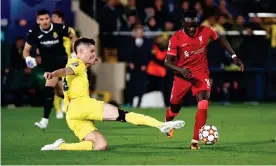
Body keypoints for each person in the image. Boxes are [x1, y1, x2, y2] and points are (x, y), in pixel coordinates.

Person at [41, 37, 185, 151]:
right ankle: (160, 125)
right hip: (82, 104)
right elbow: (65, 71)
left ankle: (60, 146)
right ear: (80, 53)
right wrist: (53, 74)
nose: (94, 54)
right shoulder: (76, 64)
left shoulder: (76, 64)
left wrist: (88, 62)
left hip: (72, 114)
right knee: (123, 115)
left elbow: (69, 71)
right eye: (91, 51)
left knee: (100, 145)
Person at [163, 11, 244, 149]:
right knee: (175, 106)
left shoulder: (205, 31)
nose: (192, 29)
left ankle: (195, 141)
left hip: (200, 74)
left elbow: (221, 39)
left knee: (203, 103)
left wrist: (234, 56)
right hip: (182, 75)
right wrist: (181, 70)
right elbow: (167, 62)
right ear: (183, 24)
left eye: (194, 25)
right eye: (189, 26)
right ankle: (167, 122)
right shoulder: (176, 37)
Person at [23, 9, 77, 130]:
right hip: (49, 66)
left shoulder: (59, 27)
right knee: (59, 92)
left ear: (49, 18)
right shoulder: (34, 32)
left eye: (47, 18)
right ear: (38, 21)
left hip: (63, 64)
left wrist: (75, 52)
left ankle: (44, 120)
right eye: (42, 19)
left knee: (51, 90)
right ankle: (76, 106)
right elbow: (26, 51)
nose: (45, 21)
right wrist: (27, 59)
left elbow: (74, 37)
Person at [51, 9, 77, 119]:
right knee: (53, 86)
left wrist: (74, 52)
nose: (52, 19)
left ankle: (63, 104)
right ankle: (58, 109)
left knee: (64, 85)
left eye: (54, 17)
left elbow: (74, 39)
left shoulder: (68, 30)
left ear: (60, 18)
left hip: (66, 60)